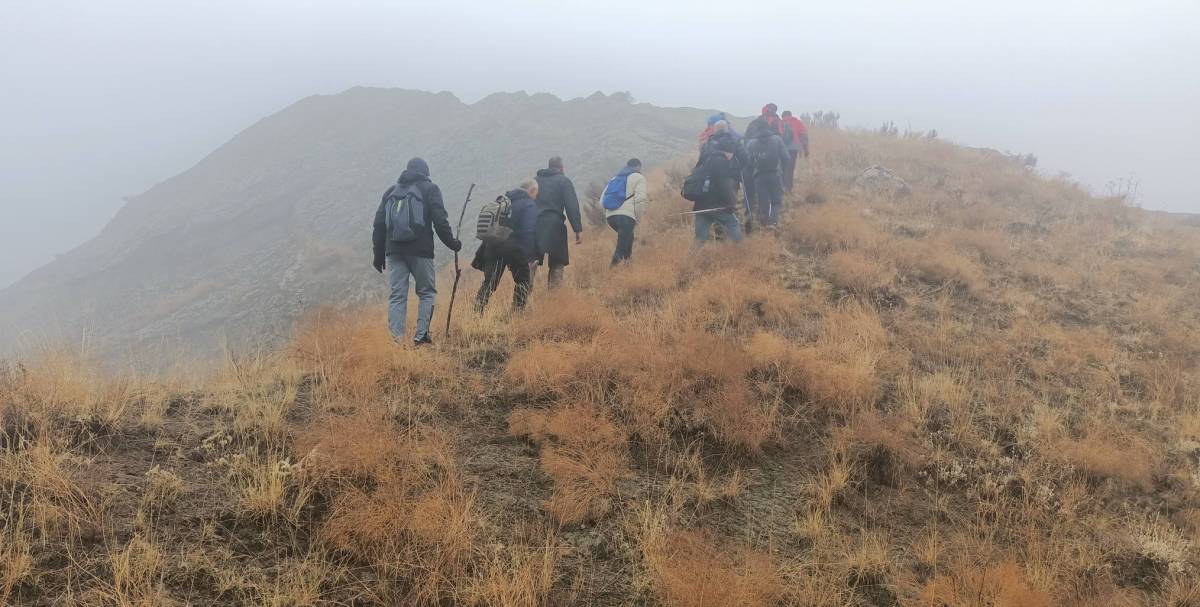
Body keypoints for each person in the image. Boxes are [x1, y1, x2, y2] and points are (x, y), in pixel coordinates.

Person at [372, 157, 462, 345]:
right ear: (425, 172)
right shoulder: (430, 189)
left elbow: (379, 224)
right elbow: (440, 221)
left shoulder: (391, 191)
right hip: (421, 250)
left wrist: (378, 254)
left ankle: (396, 341)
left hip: (394, 250)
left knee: (397, 295)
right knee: (426, 292)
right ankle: (421, 337)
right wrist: (453, 243)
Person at [473, 180, 539, 311]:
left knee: (490, 282)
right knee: (523, 279)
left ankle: (476, 312)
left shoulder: (504, 200)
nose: (536, 196)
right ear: (532, 191)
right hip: (513, 247)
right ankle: (517, 313)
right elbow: (528, 231)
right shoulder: (528, 204)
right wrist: (529, 255)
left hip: (493, 244)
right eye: (536, 193)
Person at [534, 156, 582, 288]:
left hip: (535, 225)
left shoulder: (535, 181)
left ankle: (524, 295)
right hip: (555, 225)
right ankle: (554, 295)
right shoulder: (564, 181)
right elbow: (571, 206)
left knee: (531, 261)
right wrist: (577, 229)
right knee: (557, 263)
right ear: (562, 167)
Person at [693, 137, 743, 245]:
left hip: (700, 205)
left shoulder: (706, 160)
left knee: (700, 238)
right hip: (717, 205)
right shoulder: (722, 162)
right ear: (728, 152)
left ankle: (691, 256)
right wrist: (732, 204)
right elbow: (725, 186)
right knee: (733, 223)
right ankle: (741, 250)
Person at [745, 118, 791, 227]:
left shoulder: (751, 143)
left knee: (763, 202)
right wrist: (783, 171)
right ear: (768, 126)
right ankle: (773, 223)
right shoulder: (777, 139)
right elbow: (787, 158)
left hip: (759, 177)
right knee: (776, 202)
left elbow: (748, 163)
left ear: (757, 129)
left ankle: (765, 225)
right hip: (775, 174)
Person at [603, 158, 649, 265]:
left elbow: (602, 200)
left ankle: (627, 266)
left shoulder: (614, 178)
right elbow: (640, 199)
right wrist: (637, 218)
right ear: (638, 166)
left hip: (610, 216)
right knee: (622, 245)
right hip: (626, 217)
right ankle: (613, 269)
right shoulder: (638, 177)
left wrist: (608, 213)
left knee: (628, 239)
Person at [781, 111, 809, 192]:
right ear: (790, 115)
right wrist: (805, 150)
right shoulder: (798, 122)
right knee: (790, 169)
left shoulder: (780, 122)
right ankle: (788, 188)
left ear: (783, 116)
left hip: (781, 148)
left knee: (782, 168)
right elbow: (804, 136)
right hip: (793, 149)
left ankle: (781, 187)